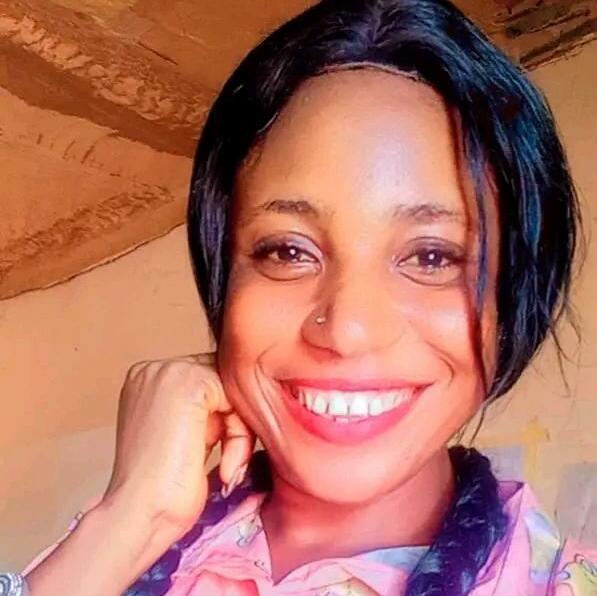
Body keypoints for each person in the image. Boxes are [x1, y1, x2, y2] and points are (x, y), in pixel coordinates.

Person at [6, 0, 596, 594]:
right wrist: (135, 517)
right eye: (288, 251)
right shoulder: (113, 548)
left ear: (510, 300)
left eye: (432, 257)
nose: (346, 329)